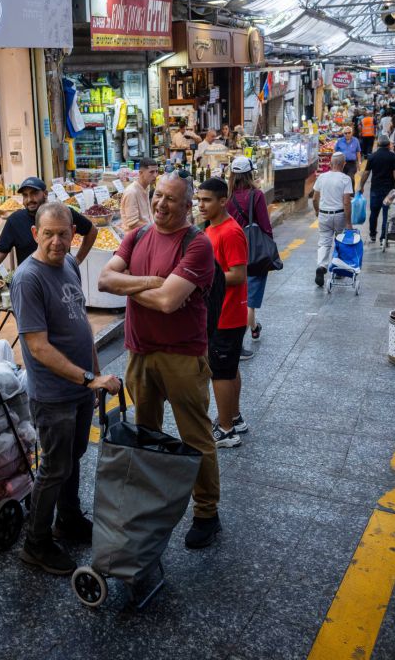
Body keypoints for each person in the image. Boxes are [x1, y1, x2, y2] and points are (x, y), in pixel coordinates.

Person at [98, 173, 221, 549]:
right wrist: (154, 281)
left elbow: (170, 303)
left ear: (188, 207)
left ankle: (207, 512)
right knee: (145, 433)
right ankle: (147, 508)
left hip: (182, 355)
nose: (161, 204)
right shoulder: (136, 236)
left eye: (171, 199)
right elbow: (104, 281)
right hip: (139, 352)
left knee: (195, 436)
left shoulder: (197, 245)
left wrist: (132, 286)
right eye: (158, 196)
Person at [11, 202, 122, 574]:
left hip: (78, 388)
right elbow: (38, 347)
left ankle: (69, 520)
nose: (57, 242)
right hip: (53, 395)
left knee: (72, 460)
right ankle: (36, 543)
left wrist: (93, 373)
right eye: (49, 234)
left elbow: (81, 325)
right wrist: (88, 378)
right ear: (34, 234)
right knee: (54, 469)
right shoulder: (28, 279)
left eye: (64, 233)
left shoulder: (70, 264)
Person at [196, 178, 249, 449]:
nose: (201, 205)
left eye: (207, 200)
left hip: (227, 314)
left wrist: (205, 278)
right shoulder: (211, 229)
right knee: (229, 369)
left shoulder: (229, 232)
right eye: (199, 199)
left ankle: (226, 429)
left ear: (222, 201)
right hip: (221, 312)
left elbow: (239, 275)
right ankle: (234, 416)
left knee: (220, 373)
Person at [0, 177, 97, 272]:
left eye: (34, 193)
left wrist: (77, 261)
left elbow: (91, 230)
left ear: (45, 194)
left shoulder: (62, 213)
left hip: (62, 276)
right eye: (25, 195)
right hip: (31, 280)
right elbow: (0, 250)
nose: (29, 199)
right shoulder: (15, 221)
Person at [227, 156, 271, 357]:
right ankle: (237, 346)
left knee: (236, 297)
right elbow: (265, 224)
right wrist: (269, 246)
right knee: (249, 300)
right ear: (250, 173)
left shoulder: (226, 197)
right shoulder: (256, 195)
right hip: (253, 252)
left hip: (230, 252)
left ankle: (254, 328)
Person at [311, 153, 353, 288]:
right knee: (340, 241)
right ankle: (338, 270)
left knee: (324, 241)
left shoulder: (322, 177)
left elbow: (314, 198)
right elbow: (346, 202)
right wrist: (348, 222)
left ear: (330, 163)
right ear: (343, 164)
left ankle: (321, 265)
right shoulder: (346, 179)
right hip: (339, 214)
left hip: (324, 214)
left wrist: (317, 211)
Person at [360, 133, 395, 244]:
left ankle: (372, 235)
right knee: (386, 214)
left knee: (374, 213)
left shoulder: (372, 156)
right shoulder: (393, 157)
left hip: (375, 189)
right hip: (389, 191)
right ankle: (383, 238)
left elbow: (365, 173)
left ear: (378, 144)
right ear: (389, 144)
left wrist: (361, 186)